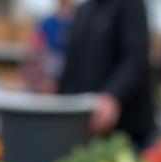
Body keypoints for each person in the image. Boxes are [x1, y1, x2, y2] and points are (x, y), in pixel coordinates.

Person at [59, 0, 154, 148]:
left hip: (126, 129)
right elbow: (71, 66)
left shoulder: (131, 5)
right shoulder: (84, 10)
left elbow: (135, 58)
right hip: (85, 126)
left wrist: (113, 95)